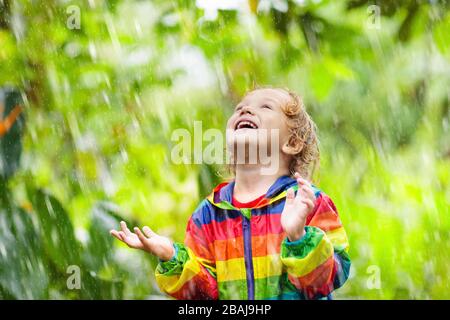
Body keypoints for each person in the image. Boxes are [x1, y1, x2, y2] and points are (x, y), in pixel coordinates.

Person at [110, 87, 351, 300]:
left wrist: (298, 237)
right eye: (239, 108)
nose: (245, 111)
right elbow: (204, 295)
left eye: (265, 106)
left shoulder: (308, 202)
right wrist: (172, 257)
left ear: (292, 143)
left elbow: (330, 278)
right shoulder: (208, 214)